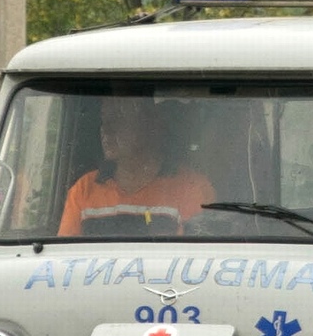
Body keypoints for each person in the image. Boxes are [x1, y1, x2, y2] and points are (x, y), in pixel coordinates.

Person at [58, 97, 215, 236]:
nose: (106, 129)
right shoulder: (84, 189)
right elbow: (65, 260)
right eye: (104, 120)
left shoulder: (191, 189)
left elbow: (193, 259)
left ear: (150, 126)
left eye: (118, 120)